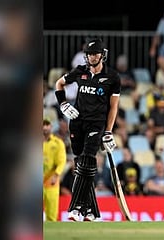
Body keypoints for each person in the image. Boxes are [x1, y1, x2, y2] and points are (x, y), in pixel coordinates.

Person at [54, 38, 121, 221]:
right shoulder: (80, 71)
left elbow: (113, 107)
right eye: (90, 54)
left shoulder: (112, 77)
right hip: (77, 123)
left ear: (102, 55)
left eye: (95, 54)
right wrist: (63, 105)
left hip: (96, 124)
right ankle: (91, 211)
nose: (92, 57)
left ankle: (76, 208)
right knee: (82, 165)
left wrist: (108, 131)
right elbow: (59, 84)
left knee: (87, 159)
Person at [43, 118, 67, 221]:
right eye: (43, 124)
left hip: (50, 180)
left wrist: (56, 175)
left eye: (47, 124)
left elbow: (61, 161)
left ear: (51, 127)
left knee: (52, 215)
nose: (44, 127)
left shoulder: (57, 143)